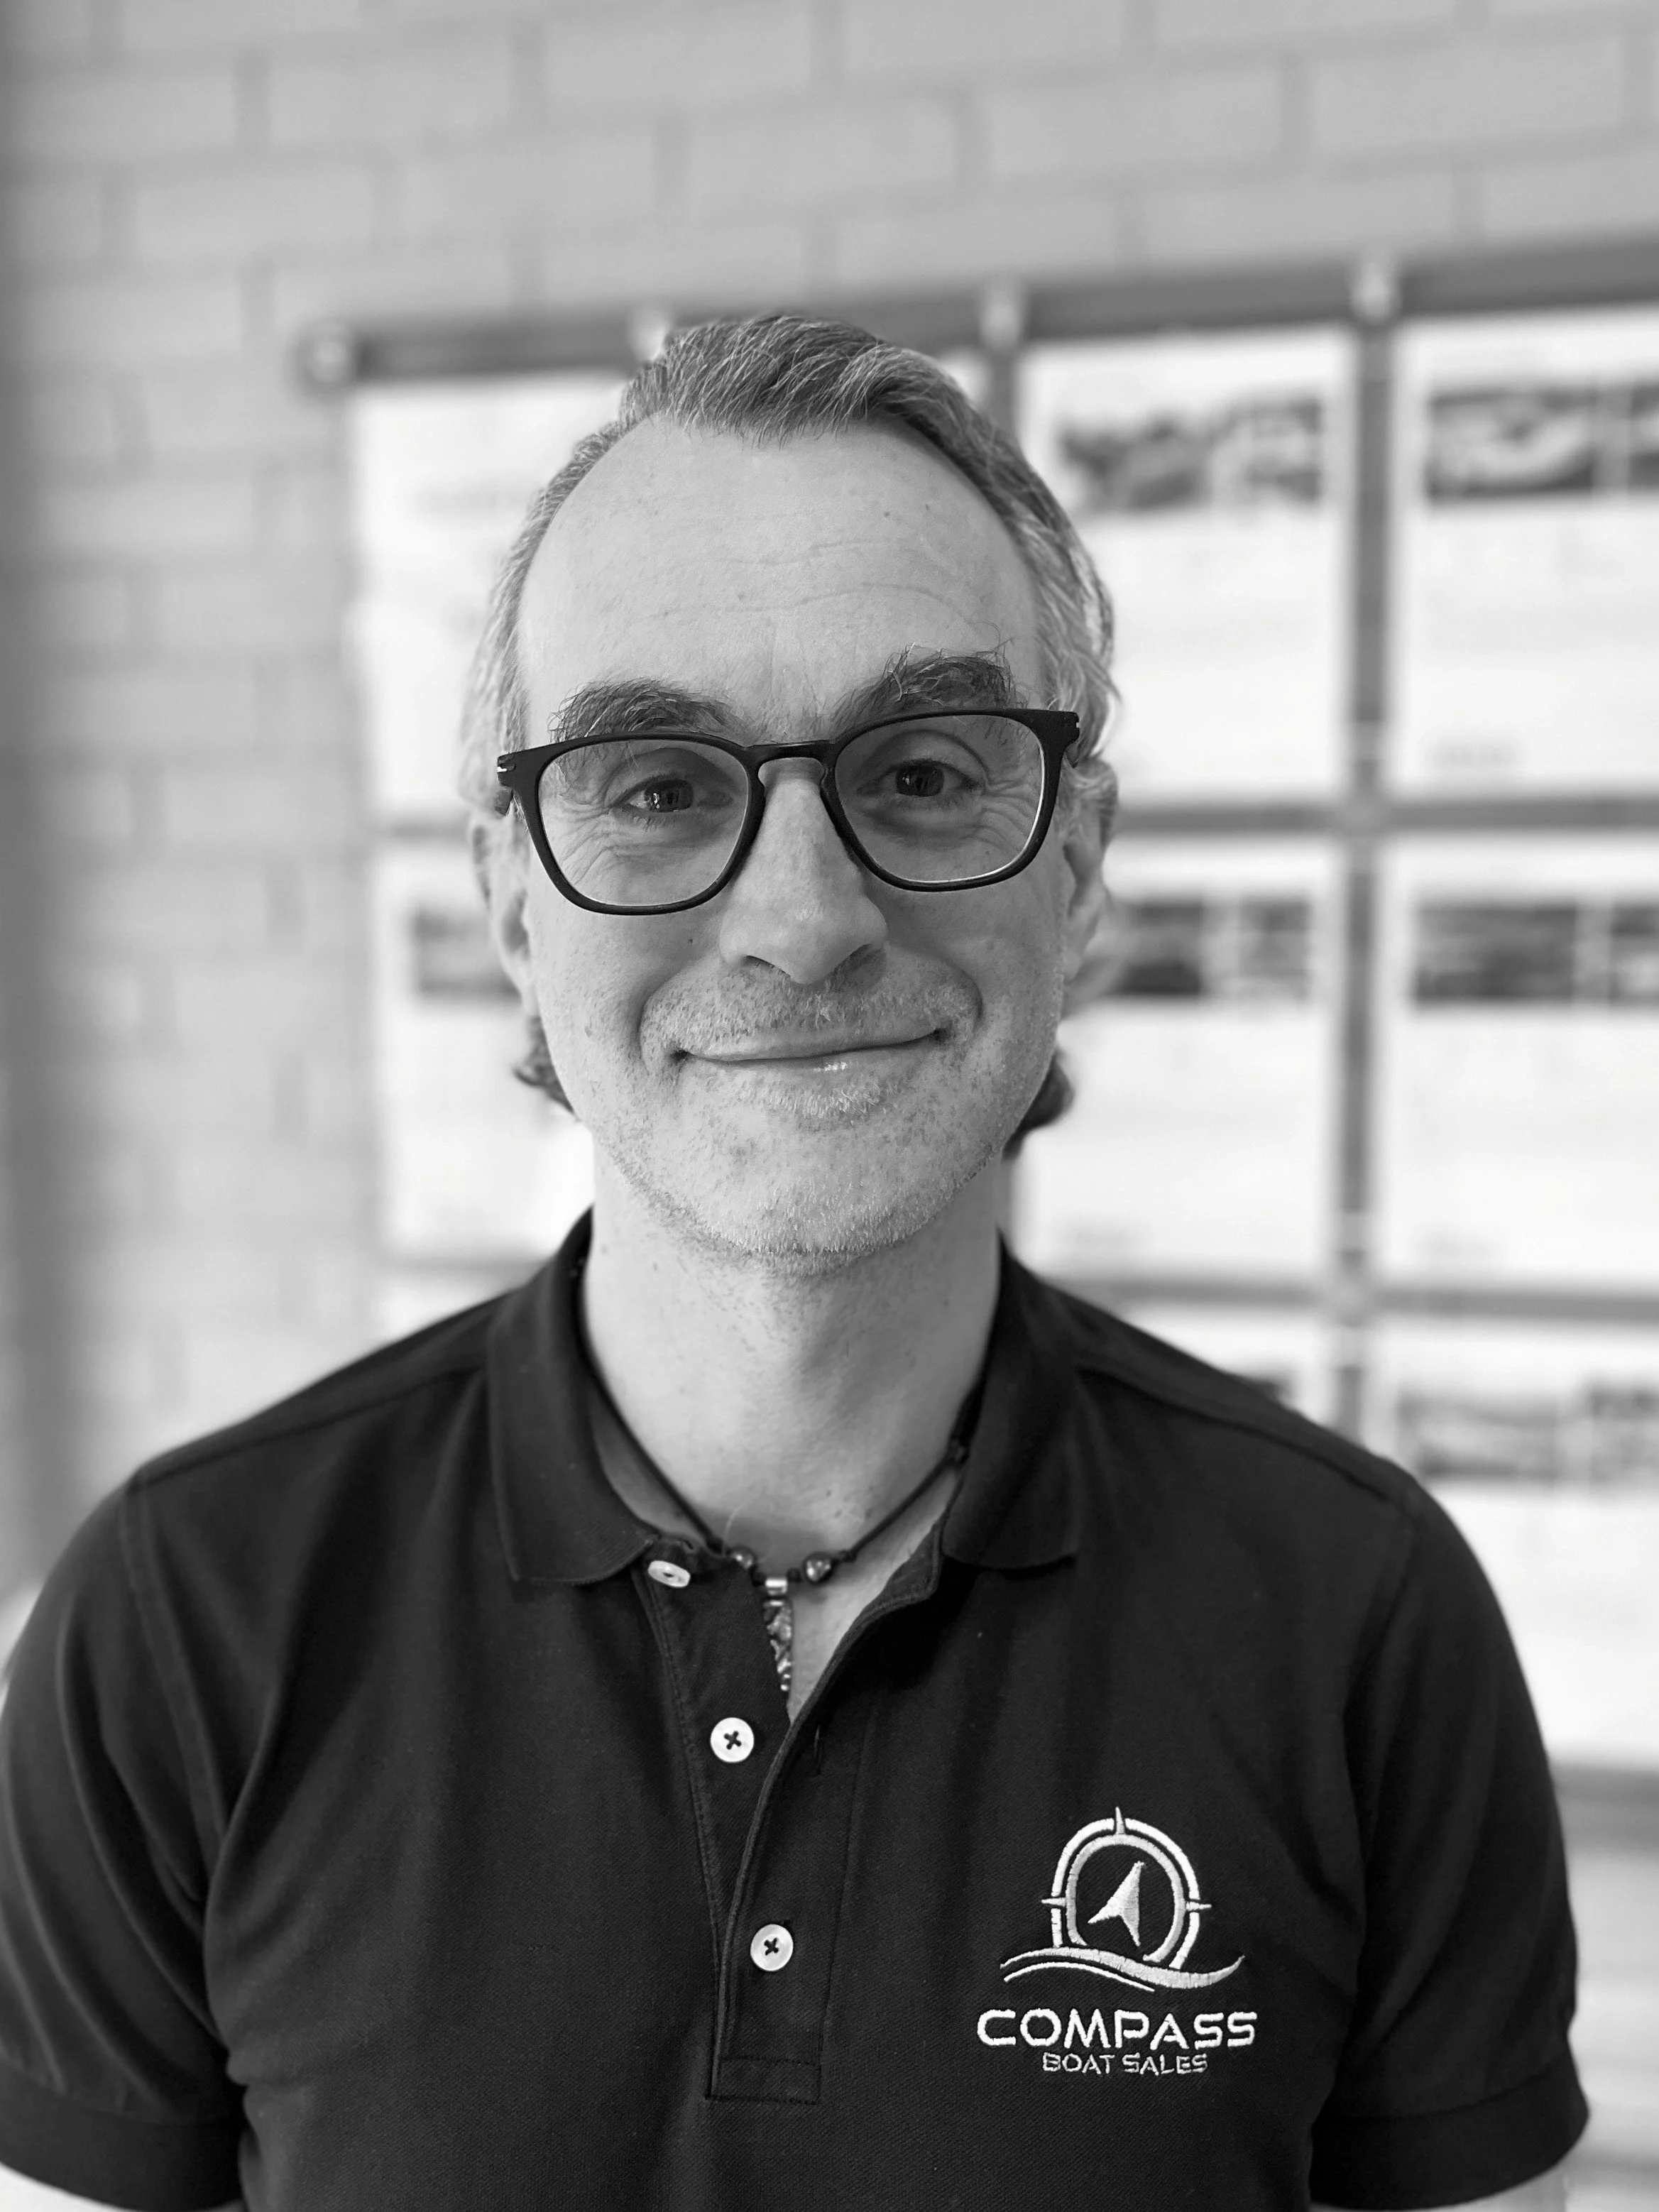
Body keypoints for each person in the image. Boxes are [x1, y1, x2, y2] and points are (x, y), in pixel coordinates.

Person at [0, 316, 1584, 2211]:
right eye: (658, 785)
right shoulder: (183, 1627)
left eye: (921, 771)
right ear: (513, 900)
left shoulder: (1360, 1616)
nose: (802, 919)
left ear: (1073, 865)